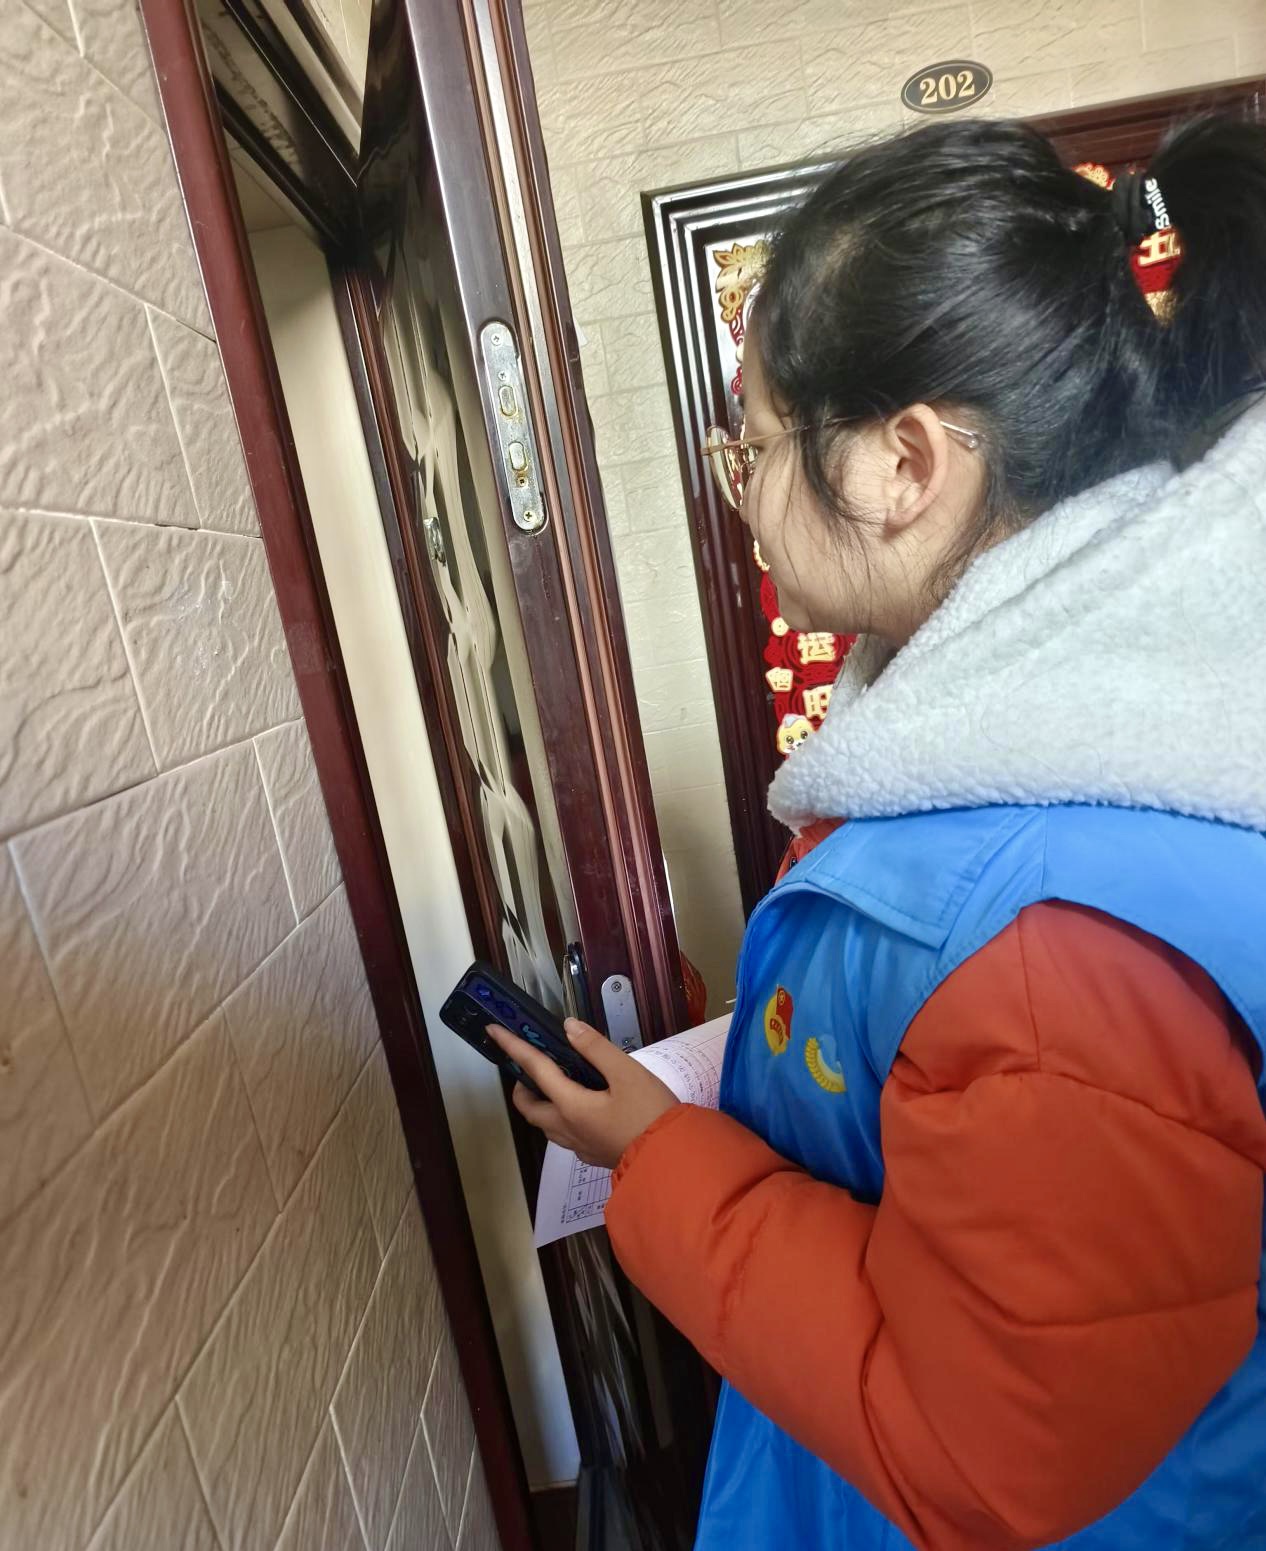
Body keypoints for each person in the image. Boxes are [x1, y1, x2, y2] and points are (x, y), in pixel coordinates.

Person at [489, 113, 1266, 1550]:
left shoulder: (1059, 954)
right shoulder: (985, 756)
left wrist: (656, 1158)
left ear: (905, 462)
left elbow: (985, 1455)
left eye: (755, 446)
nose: (745, 499)